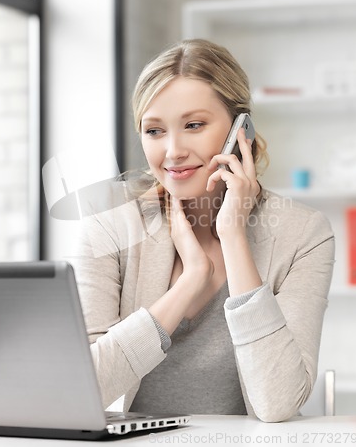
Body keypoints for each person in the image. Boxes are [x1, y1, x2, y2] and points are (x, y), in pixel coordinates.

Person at [71, 39, 335, 423]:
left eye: (194, 125)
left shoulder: (303, 235)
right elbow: (82, 389)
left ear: (240, 130)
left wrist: (233, 236)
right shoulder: (109, 227)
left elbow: (277, 402)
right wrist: (190, 280)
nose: (173, 151)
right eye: (154, 131)